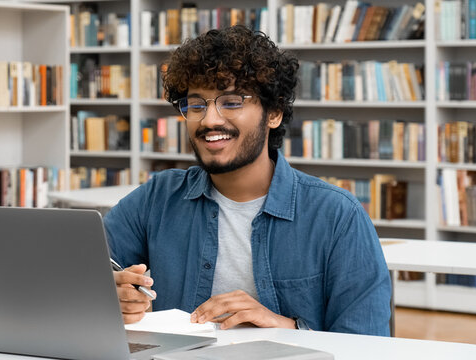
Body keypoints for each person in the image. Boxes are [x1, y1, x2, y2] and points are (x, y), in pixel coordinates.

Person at [103, 25, 391, 336]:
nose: (210, 120)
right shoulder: (157, 198)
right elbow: (76, 274)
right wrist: (107, 296)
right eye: (197, 105)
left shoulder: (337, 216)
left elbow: (368, 342)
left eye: (231, 102)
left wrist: (283, 328)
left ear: (274, 113)